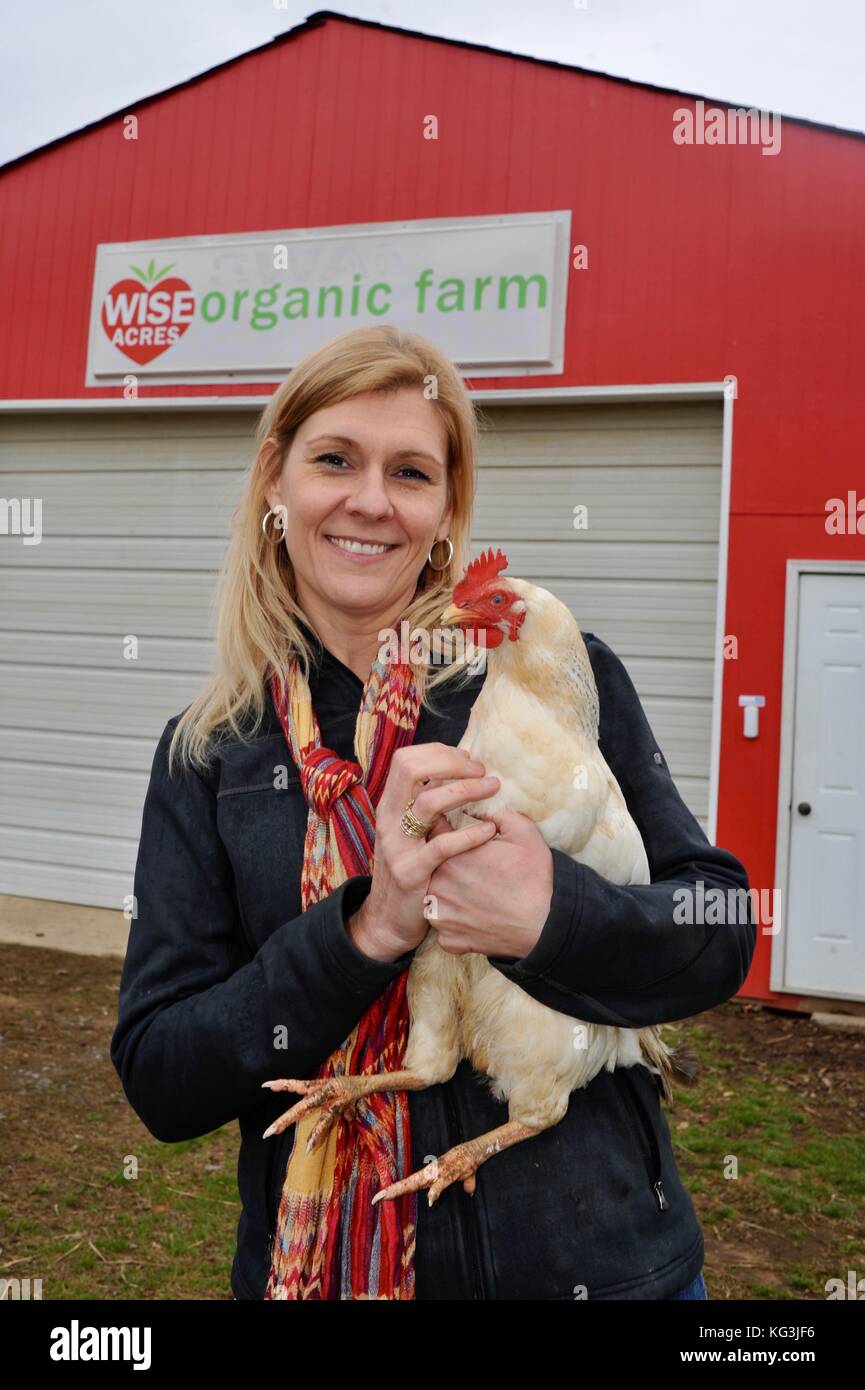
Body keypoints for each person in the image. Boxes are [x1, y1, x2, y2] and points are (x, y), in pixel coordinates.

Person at [111, 324, 754, 1300]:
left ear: (446, 508)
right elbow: (163, 1076)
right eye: (335, 459)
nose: (370, 500)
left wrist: (554, 916)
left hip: (596, 1271)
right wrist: (365, 933)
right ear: (275, 485)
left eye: (410, 471)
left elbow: (718, 925)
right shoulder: (210, 751)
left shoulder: (546, 679)